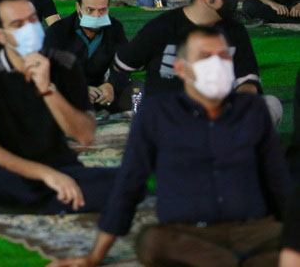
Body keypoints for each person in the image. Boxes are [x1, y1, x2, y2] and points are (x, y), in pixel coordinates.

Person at [51, 26, 291, 267]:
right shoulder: (157, 114)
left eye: (223, 56)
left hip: (251, 229)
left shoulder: (252, 110)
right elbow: (129, 184)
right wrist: (95, 256)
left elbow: (279, 180)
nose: (216, 64)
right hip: (188, 234)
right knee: (152, 242)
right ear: (181, 68)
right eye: (205, 57)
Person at [0, 0, 116, 213]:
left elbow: (85, 135)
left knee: (126, 181)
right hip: (9, 168)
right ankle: (57, 200)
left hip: (60, 164)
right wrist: (46, 175)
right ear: (1, 35)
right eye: (18, 24)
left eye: (32, 20)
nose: (29, 29)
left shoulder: (65, 64)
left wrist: (48, 91)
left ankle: (13, 206)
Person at [115, 0, 282, 124]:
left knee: (270, 105)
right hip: (170, 118)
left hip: (220, 118)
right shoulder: (163, 27)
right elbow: (123, 63)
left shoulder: (235, 30)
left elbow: (248, 82)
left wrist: (240, 108)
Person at [44, 0, 132, 112]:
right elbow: (47, 72)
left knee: (137, 90)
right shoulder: (58, 31)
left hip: (101, 94)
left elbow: (123, 62)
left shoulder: (114, 29)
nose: (96, 16)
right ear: (78, 7)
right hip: (67, 94)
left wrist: (111, 85)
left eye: (102, 10)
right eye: (90, 10)